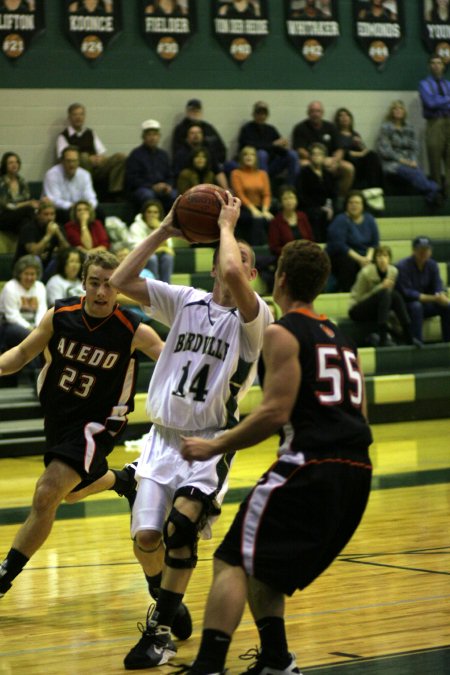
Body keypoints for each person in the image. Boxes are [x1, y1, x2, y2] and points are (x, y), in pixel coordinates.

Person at [180, 239, 373, 675]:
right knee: (263, 568)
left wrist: (214, 445)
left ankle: (208, 665)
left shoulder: (282, 331)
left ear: (280, 279)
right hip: (357, 472)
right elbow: (360, 414)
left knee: (231, 558)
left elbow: (273, 413)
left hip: (309, 466)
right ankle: (276, 662)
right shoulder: (342, 339)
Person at [109, 191, 273, 669]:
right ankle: (171, 602)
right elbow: (121, 280)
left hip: (208, 442)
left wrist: (226, 226)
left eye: (243, 260)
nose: (232, 264)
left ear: (253, 274)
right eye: (228, 255)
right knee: (147, 539)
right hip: (160, 439)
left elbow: (235, 272)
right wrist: (165, 231)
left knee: (180, 529)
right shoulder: (185, 301)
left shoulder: (255, 318)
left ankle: (158, 634)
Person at [0, 251, 164, 600]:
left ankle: (4, 576)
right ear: (83, 283)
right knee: (70, 493)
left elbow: (173, 361)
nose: (102, 292)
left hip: (100, 422)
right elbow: (21, 355)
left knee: (46, 493)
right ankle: (124, 480)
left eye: (109, 284)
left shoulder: (133, 329)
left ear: (120, 286)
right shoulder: (60, 315)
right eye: (94, 283)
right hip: (61, 417)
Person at [349, 245, 422, 348]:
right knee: (384, 293)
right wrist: (380, 287)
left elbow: (390, 300)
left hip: (378, 309)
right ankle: (383, 338)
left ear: (389, 259)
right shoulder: (366, 273)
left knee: (394, 295)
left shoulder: (393, 272)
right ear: (375, 259)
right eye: (379, 256)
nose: (382, 259)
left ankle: (408, 335)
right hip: (357, 309)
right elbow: (357, 299)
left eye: (385, 256)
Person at [376, 100, 442, 204]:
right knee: (414, 172)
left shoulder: (409, 127)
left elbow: (415, 148)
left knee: (417, 170)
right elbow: (385, 150)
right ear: (391, 112)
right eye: (395, 108)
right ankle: (436, 188)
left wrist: (413, 161)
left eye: (400, 108)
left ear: (404, 111)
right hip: (392, 164)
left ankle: (431, 195)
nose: (398, 110)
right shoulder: (385, 128)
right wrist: (404, 161)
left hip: (410, 162)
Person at [56, 103, 125, 200]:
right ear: (69, 117)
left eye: (81, 114)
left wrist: (99, 159)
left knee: (120, 157)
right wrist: (88, 158)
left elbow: (102, 153)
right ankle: (88, 190)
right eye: (75, 115)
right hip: (78, 169)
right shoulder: (63, 136)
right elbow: (63, 159)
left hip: (97, 168)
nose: (78, 117)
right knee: (84, 157)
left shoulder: (90, 133)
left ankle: (115, 192)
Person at [292, 101, 354, 197]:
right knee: (300, 164)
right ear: (308, 113)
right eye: (312, 111)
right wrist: (318, 160)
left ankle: (339, 199)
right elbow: (300, 150)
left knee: (348, 168)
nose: (315, 114)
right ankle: (303, 198)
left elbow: (340, 149)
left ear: (322, 113)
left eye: (318, 111)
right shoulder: (300, 128)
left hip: (329, 161)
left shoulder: (331, 127)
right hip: (310, 161)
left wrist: (335, 161)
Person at [396, 236, 450, 343]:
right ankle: (417, 342)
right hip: (407, 305)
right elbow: (407, 293)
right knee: (416, 306)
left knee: (446, 306)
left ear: (430, 251)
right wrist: (435, 298)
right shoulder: (403, 266)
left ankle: (447, 341)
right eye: (421, 250)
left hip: (428, 303)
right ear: (414, 251)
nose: (424, 253)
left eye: (426, 250)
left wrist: (440, 296)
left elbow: (438, 285)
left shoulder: (432, 265)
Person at [326, 190, 380, 292]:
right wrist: (360, 259)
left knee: (381, 260)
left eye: (357, 203)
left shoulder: (370, 219)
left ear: (363, 205)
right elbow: (340, 245)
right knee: (348, 263)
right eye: (351, 203)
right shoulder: (340, 219)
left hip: (364, 255)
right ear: (346, 205)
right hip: (343, 256)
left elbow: (374, 243)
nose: (354, 205)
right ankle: (347, 292)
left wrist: (368, 258)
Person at [237, 101, 300, 188]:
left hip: (272, 165)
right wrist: (272, 144)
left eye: (264, 114)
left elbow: (278, 148)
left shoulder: (271, 129)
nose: (261, 116)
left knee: (293, 154)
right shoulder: (247, 129)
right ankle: (265, 189)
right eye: (259, 113)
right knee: (262, 154)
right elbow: (249, 146)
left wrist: (284, 146)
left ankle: (290, 188)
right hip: (255, 165)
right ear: (253, 114)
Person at [0, 255, 47, 367]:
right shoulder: (10, 287)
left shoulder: (40, 287)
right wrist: (32, 330)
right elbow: (12, 316)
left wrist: (38, 327)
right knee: (31, 337)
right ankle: (33, 373)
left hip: (34, 326)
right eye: (26, 274)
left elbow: (42, 310)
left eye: (33, 274)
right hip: (8, 326)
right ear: (19, 274)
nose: (30, 277)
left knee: (46, 334)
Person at [125, 119, 177, 214]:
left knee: (175, 195)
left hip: (162, 188)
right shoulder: (136, 155)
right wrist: (152, 186)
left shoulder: (163, 155)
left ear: (159, 137)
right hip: (144, 188)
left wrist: (168, 185)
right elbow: (132, 179)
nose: (152, 138)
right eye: (149, 135)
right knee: (148, 195)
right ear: (144, 137)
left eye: (155, 135)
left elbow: (170, 175)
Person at [418, 54, 450, 195]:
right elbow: (430, 103)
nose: (436, 65)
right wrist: (447, 99)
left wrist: (440, 100)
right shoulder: (424, 84)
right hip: (434, 123)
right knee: (435, 160)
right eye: (433, 63)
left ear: (444, 66)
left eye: (439, 63)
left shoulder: (448, 84)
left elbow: (436, 101)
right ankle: (436, 192)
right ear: (429, 66)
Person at [43, 146, 98, 225]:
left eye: (74, 161)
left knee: (99, 212)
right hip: (61, 210)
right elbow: (54, 200)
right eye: (68, 161)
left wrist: (87, 208)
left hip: (80, 209)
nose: (71, 164)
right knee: (66, 215)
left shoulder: (85, 175)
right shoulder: (52, 174)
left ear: (79, 162)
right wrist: (75, 208)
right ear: (62, 161)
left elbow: (91, 197)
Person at [14, 201, 69, 279]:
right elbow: (33, 252)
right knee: (36, 259)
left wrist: (59, 234)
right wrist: (48, 235)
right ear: (38, 215)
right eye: (46, 214)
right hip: (24, 269)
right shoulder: (28, 228)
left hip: (46, 267)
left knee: (64, 258)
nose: (50, 218)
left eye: (52, 214)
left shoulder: (57, 227)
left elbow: (67, 252)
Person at [295, 142, 337, 242]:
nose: (316, 156)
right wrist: (319, 207)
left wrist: (330, 207)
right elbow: (301, 195)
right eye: (314, 154)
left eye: (320, 154)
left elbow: (333, 194)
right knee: (317, 215)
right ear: (310, 157)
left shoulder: (328, 174)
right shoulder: (304, 173)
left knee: (338, 214)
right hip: (309, 206)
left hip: (327, 206)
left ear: (324, 157)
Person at [230, 145, 273, 245]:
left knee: (271, 218)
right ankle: (256, 251)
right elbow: (239, 194)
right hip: (243, 208)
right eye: (245, 154)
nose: (249, 157)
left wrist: (265, 210)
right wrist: (253, 210)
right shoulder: (236, 173)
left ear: (256, 158)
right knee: (257, 220)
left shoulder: (263, 174)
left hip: (260, 207)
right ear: (241, 158)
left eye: (252, 154)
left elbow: (267, 194)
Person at [334, 108, 384, 191]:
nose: (344, 117)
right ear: (338, 120)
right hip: (347, 160)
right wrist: (360, 154)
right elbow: (342, 151)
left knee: (372, 156)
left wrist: (360, 144)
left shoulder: (355, 134)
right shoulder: (336, 134)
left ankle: (377, 188)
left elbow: (364, 149)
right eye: (341, 116)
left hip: (359, 160)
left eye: (347, 115)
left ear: (350, 118)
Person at [128, 199, 174, 283]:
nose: (152, 215)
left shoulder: (162, 225)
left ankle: (167, 287)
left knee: (168, 257)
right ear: (144, 214)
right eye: (149, 212)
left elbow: (169, 248)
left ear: (159, 215)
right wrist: (160, 249)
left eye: (155, 212)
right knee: (152, 258)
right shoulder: (136, 226)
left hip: (157, 255)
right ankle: (154, 286)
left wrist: (158, 228)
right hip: (140, 258)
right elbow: (137, 248)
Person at [171, 99, 227, 168]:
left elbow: (221, 149)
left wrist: (218, 163)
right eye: (192, 110)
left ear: (201, 112)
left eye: (197, 110)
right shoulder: (180, 130)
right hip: (189, 166)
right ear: (187, 112)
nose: (195, 112)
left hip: (211, 165)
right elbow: (177, 153)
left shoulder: (208, 128)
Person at [172, 123, 228, 190]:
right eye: (192, 133)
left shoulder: (209, 151)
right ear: (187, 137)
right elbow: (177, 177)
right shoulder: (181, 154)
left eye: (199, 132)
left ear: (203, 135)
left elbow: (218, 172)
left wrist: (226, 190)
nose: (196, 135)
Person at [0, 152, 39, 234]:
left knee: (24, 223)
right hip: (4, 216)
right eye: (10, 163)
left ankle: (28, 244)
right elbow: (8, 206)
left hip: (19, 215)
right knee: (28, 210)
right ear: (5, 165)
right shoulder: (2, 182)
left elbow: (28, 197)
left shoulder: (22, 181)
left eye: (16, 162)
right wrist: (27, 203)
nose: (14, 165)